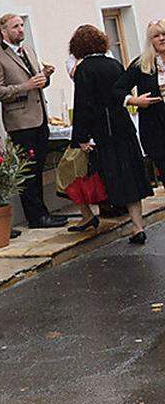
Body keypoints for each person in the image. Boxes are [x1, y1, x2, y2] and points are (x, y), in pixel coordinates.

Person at [67, 25, 153, 243]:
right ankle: (137, 226)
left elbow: (83, 105)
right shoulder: (114, 64)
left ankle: (90, 216)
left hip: (102, 131)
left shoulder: (84, 69)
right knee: (131, 177)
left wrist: (81, 137)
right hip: (123, 126)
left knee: (103, 177)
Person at [0, 14, 66, 228]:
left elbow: (37, 83)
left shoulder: (28, 50)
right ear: (3, 31)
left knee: (39, 167)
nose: (20, 30)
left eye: (22, 26)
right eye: (15, 27)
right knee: (28, 172)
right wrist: (26, 86)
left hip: (39, 117)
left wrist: (45, 76)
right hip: (20, 122)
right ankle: (36, 217)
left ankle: (43, 213)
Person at [115, 19, 165, 184]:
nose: (161, 38)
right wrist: (134, 100)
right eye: (156, 36)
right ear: (150, 40)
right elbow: (118, 89)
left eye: (164, 34)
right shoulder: (142, 64)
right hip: (156, 126)